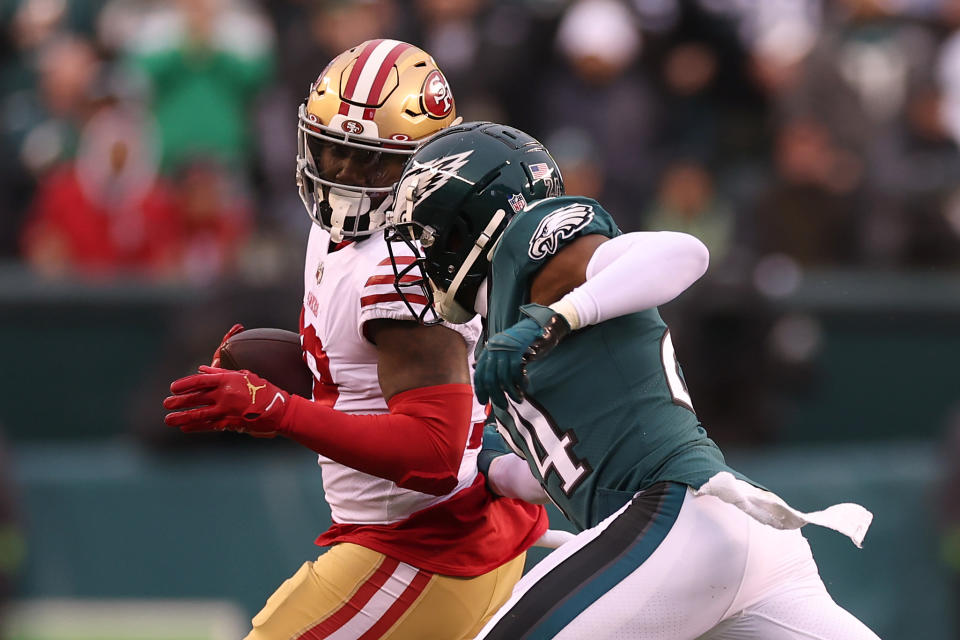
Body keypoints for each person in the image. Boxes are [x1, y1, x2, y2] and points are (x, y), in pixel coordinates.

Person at [386, 121, 882, 640]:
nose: (423, 256)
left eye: (430, 234)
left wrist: (558, 315)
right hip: (730, 535)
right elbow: (563, 471)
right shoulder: (498, 333)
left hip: (674, 520)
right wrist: (484, 466)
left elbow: (685, 255)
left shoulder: (536, 242)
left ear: (475, 221)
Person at [163, 43, 548, 640]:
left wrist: (279, 410)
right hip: (424, 541)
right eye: (332, 150)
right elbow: (365, 376)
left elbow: (436, 455)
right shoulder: (338, 236)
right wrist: (292, 378)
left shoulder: (402, 263)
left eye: (369, 162)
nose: (341, 174)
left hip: (425, 547)